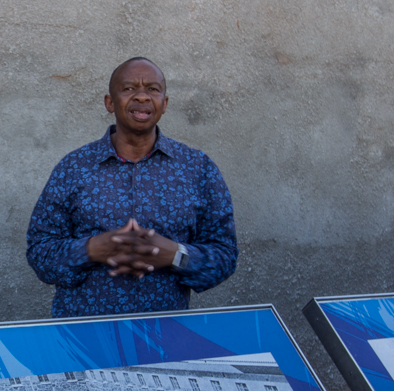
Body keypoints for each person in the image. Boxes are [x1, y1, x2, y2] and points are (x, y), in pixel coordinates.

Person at [26, 57, 237, 318]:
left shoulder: (198, 169)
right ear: (109, 103)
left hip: (164, 339)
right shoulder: (74, 167)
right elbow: (39, 253)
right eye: (128, 89)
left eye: (152, 89)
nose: (142, 97)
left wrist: (175, 255)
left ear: (165, 104)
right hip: (83, 339)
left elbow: (225, 257)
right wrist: (91, 249)